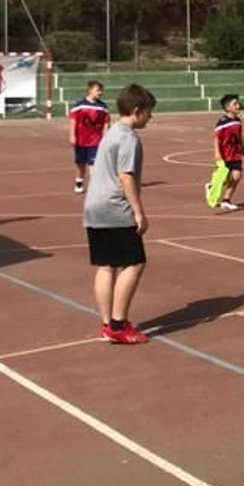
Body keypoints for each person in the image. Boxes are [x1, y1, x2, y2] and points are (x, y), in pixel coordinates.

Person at [85, 83, 157, 344]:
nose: (151, 117)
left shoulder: (111, 131)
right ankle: (118, 324)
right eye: (149, 112)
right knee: (135, 263)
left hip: (94, 206)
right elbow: (126, 176)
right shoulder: (127, 137)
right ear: (137, 110)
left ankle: (108, 323)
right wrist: (138, 212)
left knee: (106, 265)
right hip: (115, 207)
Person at [68, 80, 110, 195]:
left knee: (94, 164)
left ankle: (95, 186)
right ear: (90, 90)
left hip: (95, 140)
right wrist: (72, 135)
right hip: (81, 139)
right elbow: (73, 120)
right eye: (97, 90)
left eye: (101, 90)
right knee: (80, 163)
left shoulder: (102, 107)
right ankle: (79, 181)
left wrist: (106, 137)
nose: (100, 93)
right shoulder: (80, 105)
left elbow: (106, 123)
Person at [213, 93, 244, 211]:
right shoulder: (222, 122)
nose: (238, 106)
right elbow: (217, 138)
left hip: (235, 153)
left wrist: (243, 147)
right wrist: (217, 153)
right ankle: (212, 186)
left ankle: (226, 200)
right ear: (227, 108)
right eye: (235, 104)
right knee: (225, 178)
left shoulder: (238, 121)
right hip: (225, 155)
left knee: (237, 176)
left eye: (238, 103)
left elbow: (239, 136)